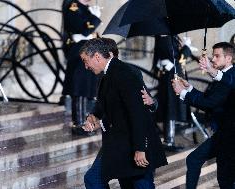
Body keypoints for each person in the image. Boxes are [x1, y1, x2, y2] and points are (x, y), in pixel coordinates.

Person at [81, 38, 167, 189]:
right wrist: (94, 117)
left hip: (133, 143)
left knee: (139, 184)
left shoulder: (125, 73)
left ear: (97, 56)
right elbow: (106, 104)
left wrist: (140, 148)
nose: (85, 66)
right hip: (120, 143)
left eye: (85, 61)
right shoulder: (106, 75)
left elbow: (137, 113)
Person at [172, 42, 235, 189]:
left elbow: (210, 103)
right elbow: (209, 99)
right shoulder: (225, 76)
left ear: (228, 58)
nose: (213, 59)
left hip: (229, 136)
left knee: (226, 179)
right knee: (194, 160)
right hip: (223, 134)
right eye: (213, 55)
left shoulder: (231, 76)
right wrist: (190, 89)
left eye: (217, 56)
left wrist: (183, 93)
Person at [61, 0, 101, 135]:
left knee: (89, 88)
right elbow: (83, 30)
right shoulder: (73, 6)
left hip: (87, 50)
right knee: (80, 88)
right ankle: (79, 124)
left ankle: (88, 123)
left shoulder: (85, 8)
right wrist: (95, 18)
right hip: (79, 53)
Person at [152, 35, 188, 152]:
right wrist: (186, 49)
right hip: (171, 78)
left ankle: (169, 140)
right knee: (170, 109)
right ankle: (169, 141)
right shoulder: (166, 38)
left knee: (171, 109)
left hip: (172, 76)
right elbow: (174, 59)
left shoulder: (169, 37)